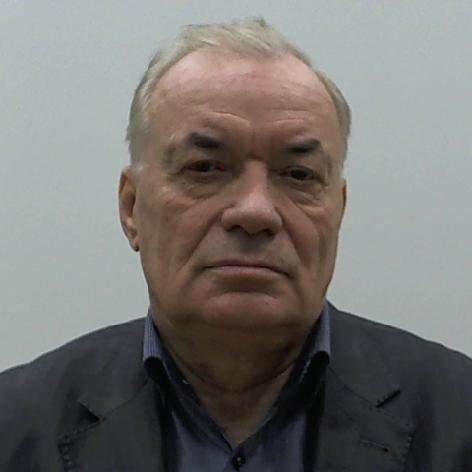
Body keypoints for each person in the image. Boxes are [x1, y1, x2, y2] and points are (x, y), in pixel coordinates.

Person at [1, 18, 471, 471]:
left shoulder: (459, 419)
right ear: (131, 207)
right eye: (205, 168)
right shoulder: (14, 425)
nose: (255, 212)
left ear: (338, 212)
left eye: (298, 175)